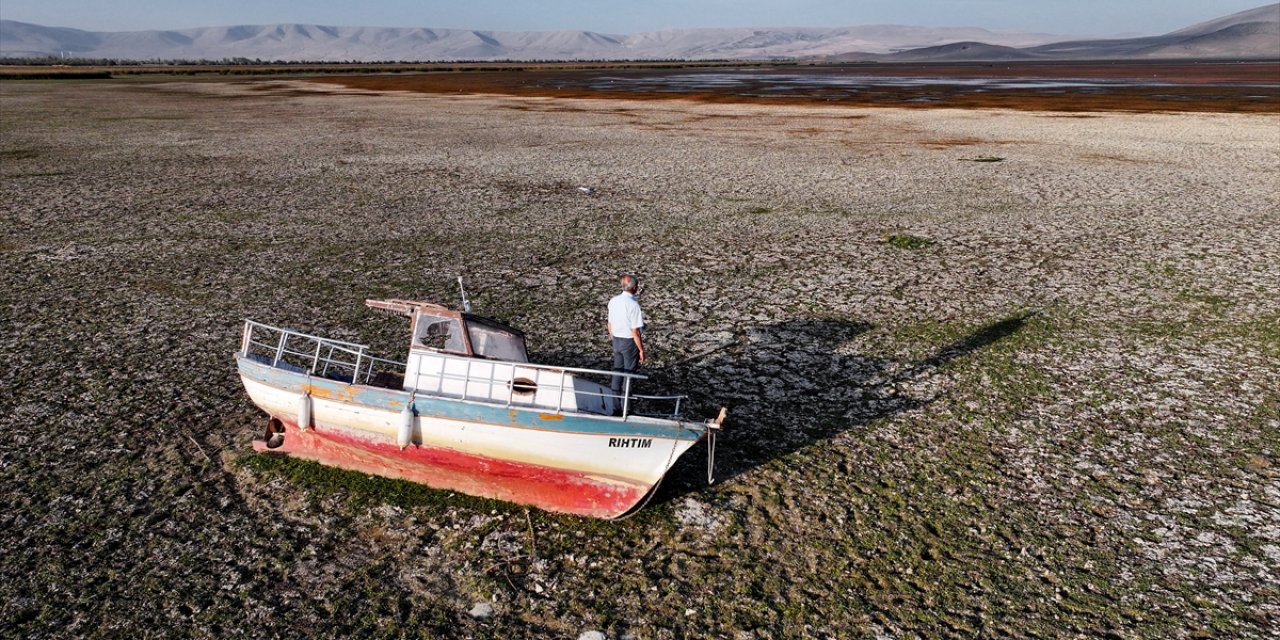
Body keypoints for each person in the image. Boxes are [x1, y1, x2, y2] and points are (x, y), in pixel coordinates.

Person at [607, 274, 646, 408]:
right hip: (629, 342)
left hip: (616, 340)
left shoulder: (613, 301)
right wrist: (641, 350)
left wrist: (613, 337)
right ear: (634, 288)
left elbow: (609, 324)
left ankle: (615, 405)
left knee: (617, 373)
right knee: (629, 376)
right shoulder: (633, 305)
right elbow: (635, 332)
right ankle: (626, 408)